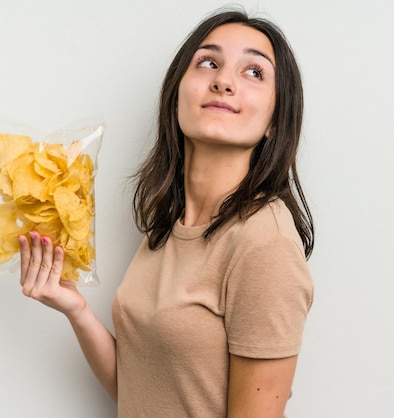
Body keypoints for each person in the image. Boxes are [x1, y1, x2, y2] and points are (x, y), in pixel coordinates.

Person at [18, 8, 314, 417]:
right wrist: (75, 308)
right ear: (178, 92)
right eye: (208, 62)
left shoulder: (264, 243)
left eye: (254, 72)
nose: (223, 81)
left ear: (275, 123)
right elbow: (139, 390)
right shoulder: (170, 224)